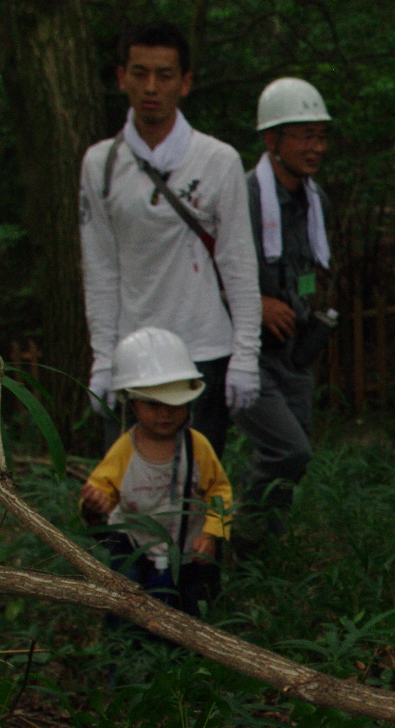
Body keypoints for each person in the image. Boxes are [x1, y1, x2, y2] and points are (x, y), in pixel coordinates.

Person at [80, 21, 261, 455]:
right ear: (122, 77)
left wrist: (246, 357)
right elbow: (100, 268)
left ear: (185, 83)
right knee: (126, 495)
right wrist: (103, 360)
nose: (151, 87)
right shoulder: (101, 163)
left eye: (165, 75)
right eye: (139, 73)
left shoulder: (218, 160)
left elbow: (239, 264)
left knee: (195, 489)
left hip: (202, 349)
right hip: (132, 355)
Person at [237, 78, 336, 541]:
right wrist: (254, 302)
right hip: (249, 353)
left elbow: (313, 267)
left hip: (295, 354)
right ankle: (239, 536)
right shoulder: (245, 198)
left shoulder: (314, 201)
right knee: (287, 451)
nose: (316, 147)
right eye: (304, 136)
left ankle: (264, 551)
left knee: (292, 456)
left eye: (321, 135)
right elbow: (208, 269)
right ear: (271, 140)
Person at [81, 327, 231, 618]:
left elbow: (219, 491)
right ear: (131, 401)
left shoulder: (197, 447)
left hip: (186, 549)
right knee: (125, 605)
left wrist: (212, 534)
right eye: (153, 404)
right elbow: (102, 489)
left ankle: (186, 657)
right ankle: (125, 653)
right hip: (135, 545)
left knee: (189, 609)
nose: (165, 413)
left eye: (174, 403)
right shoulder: (125, 450)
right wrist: (94, 503)